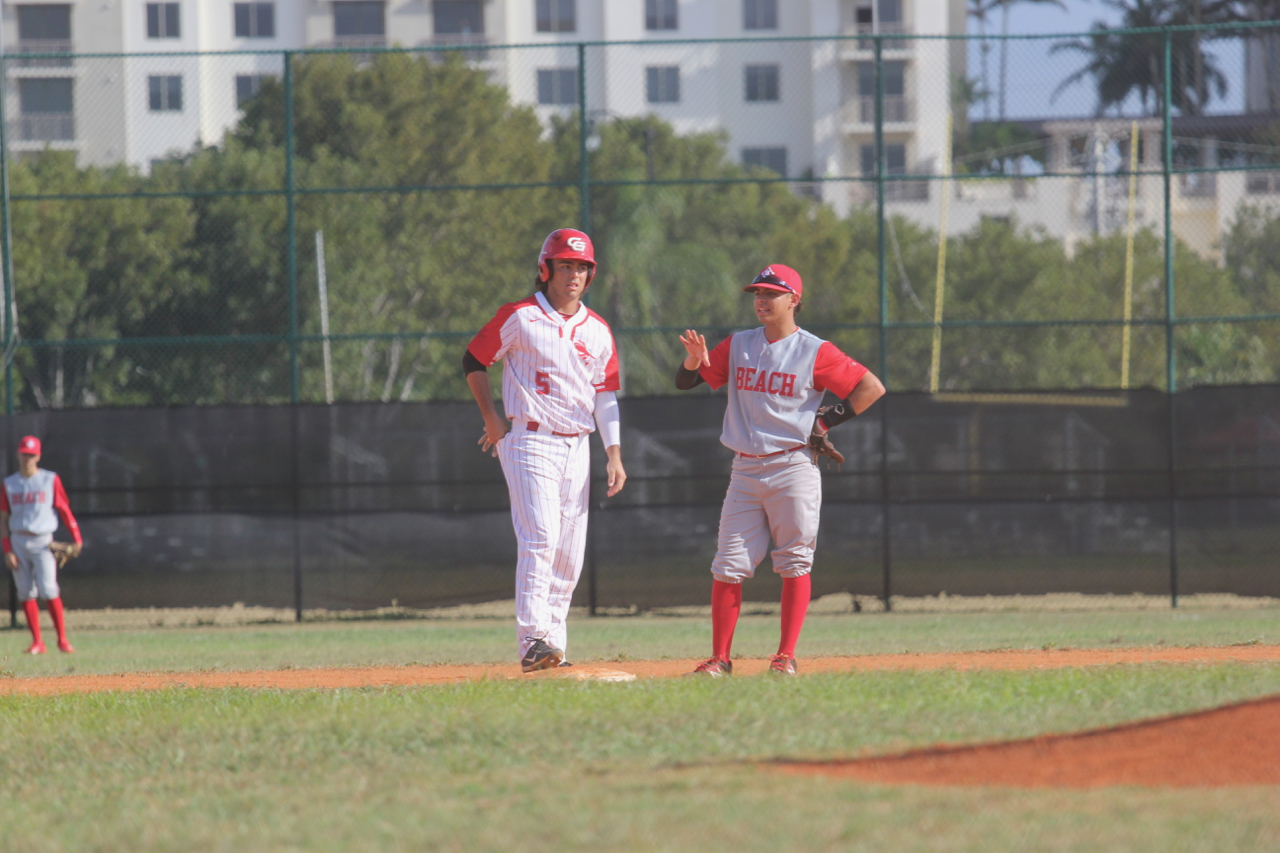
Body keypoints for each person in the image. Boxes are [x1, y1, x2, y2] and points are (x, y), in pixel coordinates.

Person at [675, 264, 885, 676]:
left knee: (794, 561)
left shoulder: (814, 350)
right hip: (745, 469)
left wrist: (823, 423)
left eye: (772, 293)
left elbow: (870, 388)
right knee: (728, 564)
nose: (762, 300)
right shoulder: (738, 345)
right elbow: (686, 382)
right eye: (758, 293)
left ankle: (785, 656)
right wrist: (692, 362)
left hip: (793, 466)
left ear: (794, 300)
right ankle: (719, 659)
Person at [464, 228, 627, 672]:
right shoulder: (520, 316)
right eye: (565, 264)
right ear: (546, 269)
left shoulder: (597, 330)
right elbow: (474, 360)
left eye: (581, 266)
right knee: (540, 538)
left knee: (569, 553)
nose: (573, 273)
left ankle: (552, 648)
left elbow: (605, 395)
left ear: (590, 275)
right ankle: (533, 640)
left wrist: (613, 453)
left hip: (579, 444)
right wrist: (492, 418)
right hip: (530, 438)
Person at [2, 435, 82, 654]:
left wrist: (77, 537)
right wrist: (7, 549)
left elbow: (64, 510)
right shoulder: (9, 484)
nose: (28, 458)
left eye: (32, 454)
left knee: (48, 588)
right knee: (26, 592)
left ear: (38, 456)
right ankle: (38, 641)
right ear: (18, 454)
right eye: (24, 454)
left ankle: (62, 639)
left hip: (43, 539)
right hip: (18, 538)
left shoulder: (49, 479)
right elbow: (3, 519)